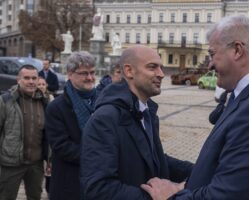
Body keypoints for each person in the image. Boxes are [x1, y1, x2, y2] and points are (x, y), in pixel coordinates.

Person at [142, 15, 249, 200]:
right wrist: (189, 185)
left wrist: (170, 196)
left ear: (237, 50)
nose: (210, 64)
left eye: (212, 54)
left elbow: (227, 195)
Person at [81, 45, 193, 200]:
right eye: (152, 67)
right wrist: (156, 197)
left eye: (161, 67)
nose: (161, 74)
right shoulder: (105, 119)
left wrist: (197, 170)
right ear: (129, 71)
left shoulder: (148, 112)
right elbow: (98, 188)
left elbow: (154, 159)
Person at [45, 51, 97, 200]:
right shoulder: (56, 107)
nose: (90, 77)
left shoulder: (102, 101)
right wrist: (97, 156)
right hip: (70, 181)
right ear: (70, 74)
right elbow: (61, 146)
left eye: (92, 72)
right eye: (84, 73)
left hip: (99, 179)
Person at [0, 65, 49, 200]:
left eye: (34, 78)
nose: (31, 81)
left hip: (36, 164)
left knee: (35, 197)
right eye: (26, 78)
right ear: (18, 80)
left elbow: (48, 135)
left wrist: (49, 158)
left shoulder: (44, 102)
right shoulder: (6, 101)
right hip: (11, 164)